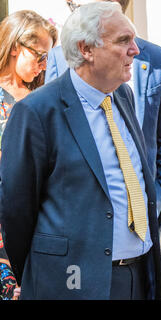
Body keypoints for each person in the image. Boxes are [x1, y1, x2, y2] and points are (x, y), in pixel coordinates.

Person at [0, 2, 161, 300]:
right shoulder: (36, 112)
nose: (136, 50)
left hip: (139, 276)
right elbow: (16, 211)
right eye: (123, 41)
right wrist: (45, 272)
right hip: (73, 283)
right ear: (86, 49)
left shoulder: (122, 95)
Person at [45, 0, 161, 226]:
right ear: (85, 50)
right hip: (81, 221)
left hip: (143, 216)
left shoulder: (157, 59)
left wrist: (159, 200)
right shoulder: (57, 57)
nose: (132, 50)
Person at [0, 10, 57, 300]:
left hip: (33, 224)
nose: (44, 66)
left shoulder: (42, 101)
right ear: (14, 48)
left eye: (48, 57)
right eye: (39, 55)